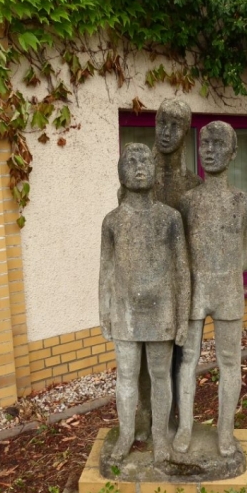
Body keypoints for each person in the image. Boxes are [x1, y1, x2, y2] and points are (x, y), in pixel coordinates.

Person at [99, 143, 190, 462]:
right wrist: (105, 310)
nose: (139, 166)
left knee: (161, 375)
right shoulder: (112, 221)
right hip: (125, 311)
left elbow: (182, 270)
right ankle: (125, 435)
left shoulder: (170, 218)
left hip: (161, 309)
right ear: (121, 172)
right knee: (125, 374)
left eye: (145, 160)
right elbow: (107, 269)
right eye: (131, 161)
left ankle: (160, 438)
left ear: (154, 168)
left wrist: (181, 317)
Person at [174, 121, 247, 457]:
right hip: (195, 289)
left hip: (227, 290)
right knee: (187, 361)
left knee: (229, 361)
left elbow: (246, 250)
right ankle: (184, 428)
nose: (208, 150)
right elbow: (181, 252)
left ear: (233, 152)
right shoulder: (187, 201)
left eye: (218, 144)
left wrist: (225, 274)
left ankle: (225, 431)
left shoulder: (243, 202)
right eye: (204, 143)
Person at [129, 99, 201, 441]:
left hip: (182, 288)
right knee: (144, 363)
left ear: (186, 132)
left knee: (180, 359)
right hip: (146, 291)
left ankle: (176, 422)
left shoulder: (193, 186)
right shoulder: (138, 181)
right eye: (161, 123)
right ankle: (146, 420)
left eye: (174, 125)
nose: (165, 132)